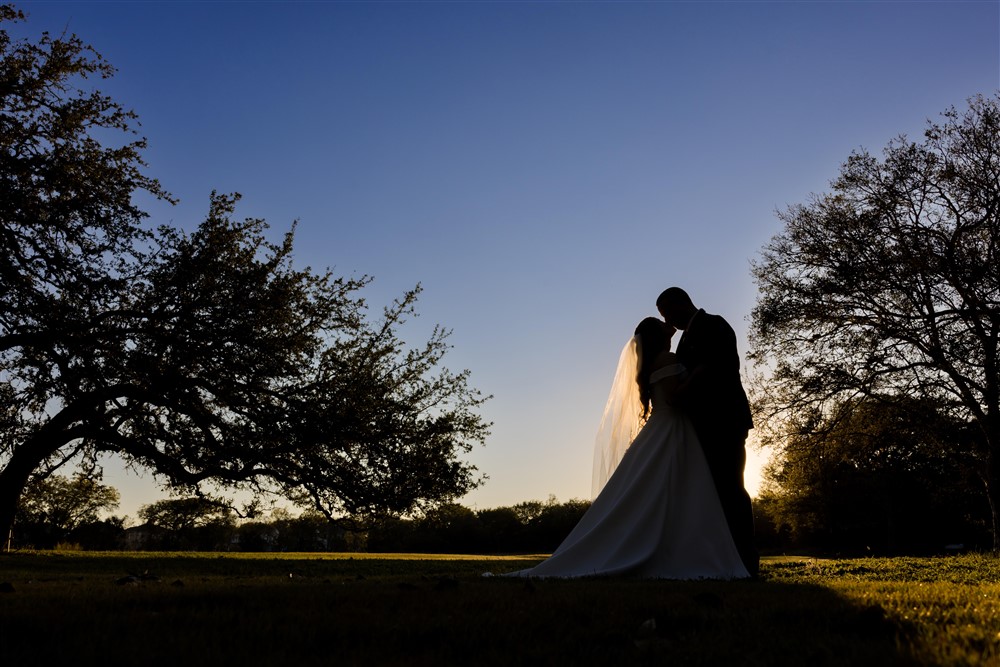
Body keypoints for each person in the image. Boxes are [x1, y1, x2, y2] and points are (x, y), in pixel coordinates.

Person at [505, 317, 749, 579]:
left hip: (663, 427)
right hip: (673, 428)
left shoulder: (650, 364)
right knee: (673, 486)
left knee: (659, 489)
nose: (668, 325)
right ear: (658, 336)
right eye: (661, 322)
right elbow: (675, 398)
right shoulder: (666, 360)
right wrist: (699, 373)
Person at [656, 287, 759, 577]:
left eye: (667, 313)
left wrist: (681, 393)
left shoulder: (714, 324)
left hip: (723, 418)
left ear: (680, 304)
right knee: (711, 492)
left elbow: (715, 366)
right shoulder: (687, 337)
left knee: (730, 489)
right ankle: (718, 559)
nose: (668, 321)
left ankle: (746, 560)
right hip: (700, 424)